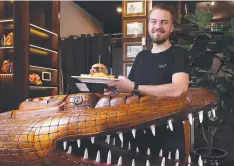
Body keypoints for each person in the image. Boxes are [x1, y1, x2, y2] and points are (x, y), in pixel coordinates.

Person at [104, 3, 190, 161]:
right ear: (148, 25)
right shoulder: (141, 57)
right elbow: (131, 90)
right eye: (154, 21)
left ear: (171, 28)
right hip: (136, 132)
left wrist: (133, 87)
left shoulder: (179, 53)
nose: (158, 26)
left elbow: (179, 89)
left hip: (167, 135)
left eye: (164, 22)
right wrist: (116, 91)